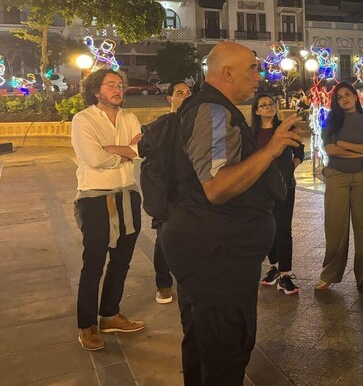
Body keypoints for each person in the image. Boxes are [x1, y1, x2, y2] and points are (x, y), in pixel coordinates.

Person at [159, 42, 303, 386]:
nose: (259, 75)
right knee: (225, 346)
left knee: (204, 341)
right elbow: (217, 186)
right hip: (216, 254)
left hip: (210, 247)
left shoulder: (215, 109)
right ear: (227, 72)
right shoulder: (213, 112)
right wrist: (271, 149)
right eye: (252, 68)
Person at [70, 68, 144, 351]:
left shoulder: (129, 117)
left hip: (127, 194)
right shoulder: (83, 120)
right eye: (111, 85)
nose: (117, 89)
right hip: (95, 199)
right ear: (95, 90)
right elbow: (94, 158)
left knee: (122, 259)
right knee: (94, 263)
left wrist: (117, 149)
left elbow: (143, 150)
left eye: (120, 85)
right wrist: (126, 152)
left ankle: (110, 314)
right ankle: (86, 325)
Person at [316, 82, 363, 292]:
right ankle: (330, 274)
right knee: (335, 227)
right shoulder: (331, 122)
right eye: (340, 97)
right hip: (337, 177)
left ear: (355, 96)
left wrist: (347, 145)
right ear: (336, 102)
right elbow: (331, 149)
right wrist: (361, 152)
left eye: (347, 94)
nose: (344, 99)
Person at [252, 93, 305, 295]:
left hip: (284, 185)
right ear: (256, 111)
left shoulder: (284, 128)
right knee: (266, 228)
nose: (267, 107)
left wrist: (292, 166)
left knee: (283, 228)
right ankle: (273, 266)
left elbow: (299, 150)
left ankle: (285, 274)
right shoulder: (252, 133)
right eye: (263, 105)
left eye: (270, 104)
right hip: (260, 187)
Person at [149, 80, 191, 305]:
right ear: (170, 98)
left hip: (191, 190)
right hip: (168, 191)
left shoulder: (196, 122)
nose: (185, 96)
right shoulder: (162, 124)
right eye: (179, 93)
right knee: (163, 238)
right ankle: (163, 284)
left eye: (188, 92)